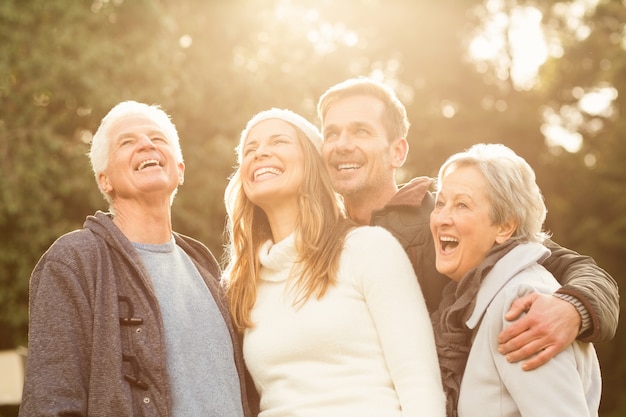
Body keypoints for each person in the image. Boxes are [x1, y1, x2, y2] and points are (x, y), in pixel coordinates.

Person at [316, 77, 619, 371]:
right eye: (331, 134)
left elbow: (579, 269)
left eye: (361, 131)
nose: (342, 145)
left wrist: (573, 309)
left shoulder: (446, 217)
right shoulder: (313, 238)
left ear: (398, 152)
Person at [19, 101, 255, 417]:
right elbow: (51, 403)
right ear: (105, 180)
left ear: (179, 169)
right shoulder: (75, 262)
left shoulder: (206, 266)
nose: (146, 144)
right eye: (127, 142)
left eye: (157, 139)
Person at [222, 108, 446, 417]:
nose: (260, 153)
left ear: (313, 162)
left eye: (278, 142)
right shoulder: (242, 284)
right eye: (250, 149)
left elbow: (419, 382)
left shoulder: (367, 248)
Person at [430, 143, 601, 417]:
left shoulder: (520, 303)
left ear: (505, 227)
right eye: (440, 203)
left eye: (461, 205)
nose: (441, 218)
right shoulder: (488, 296)